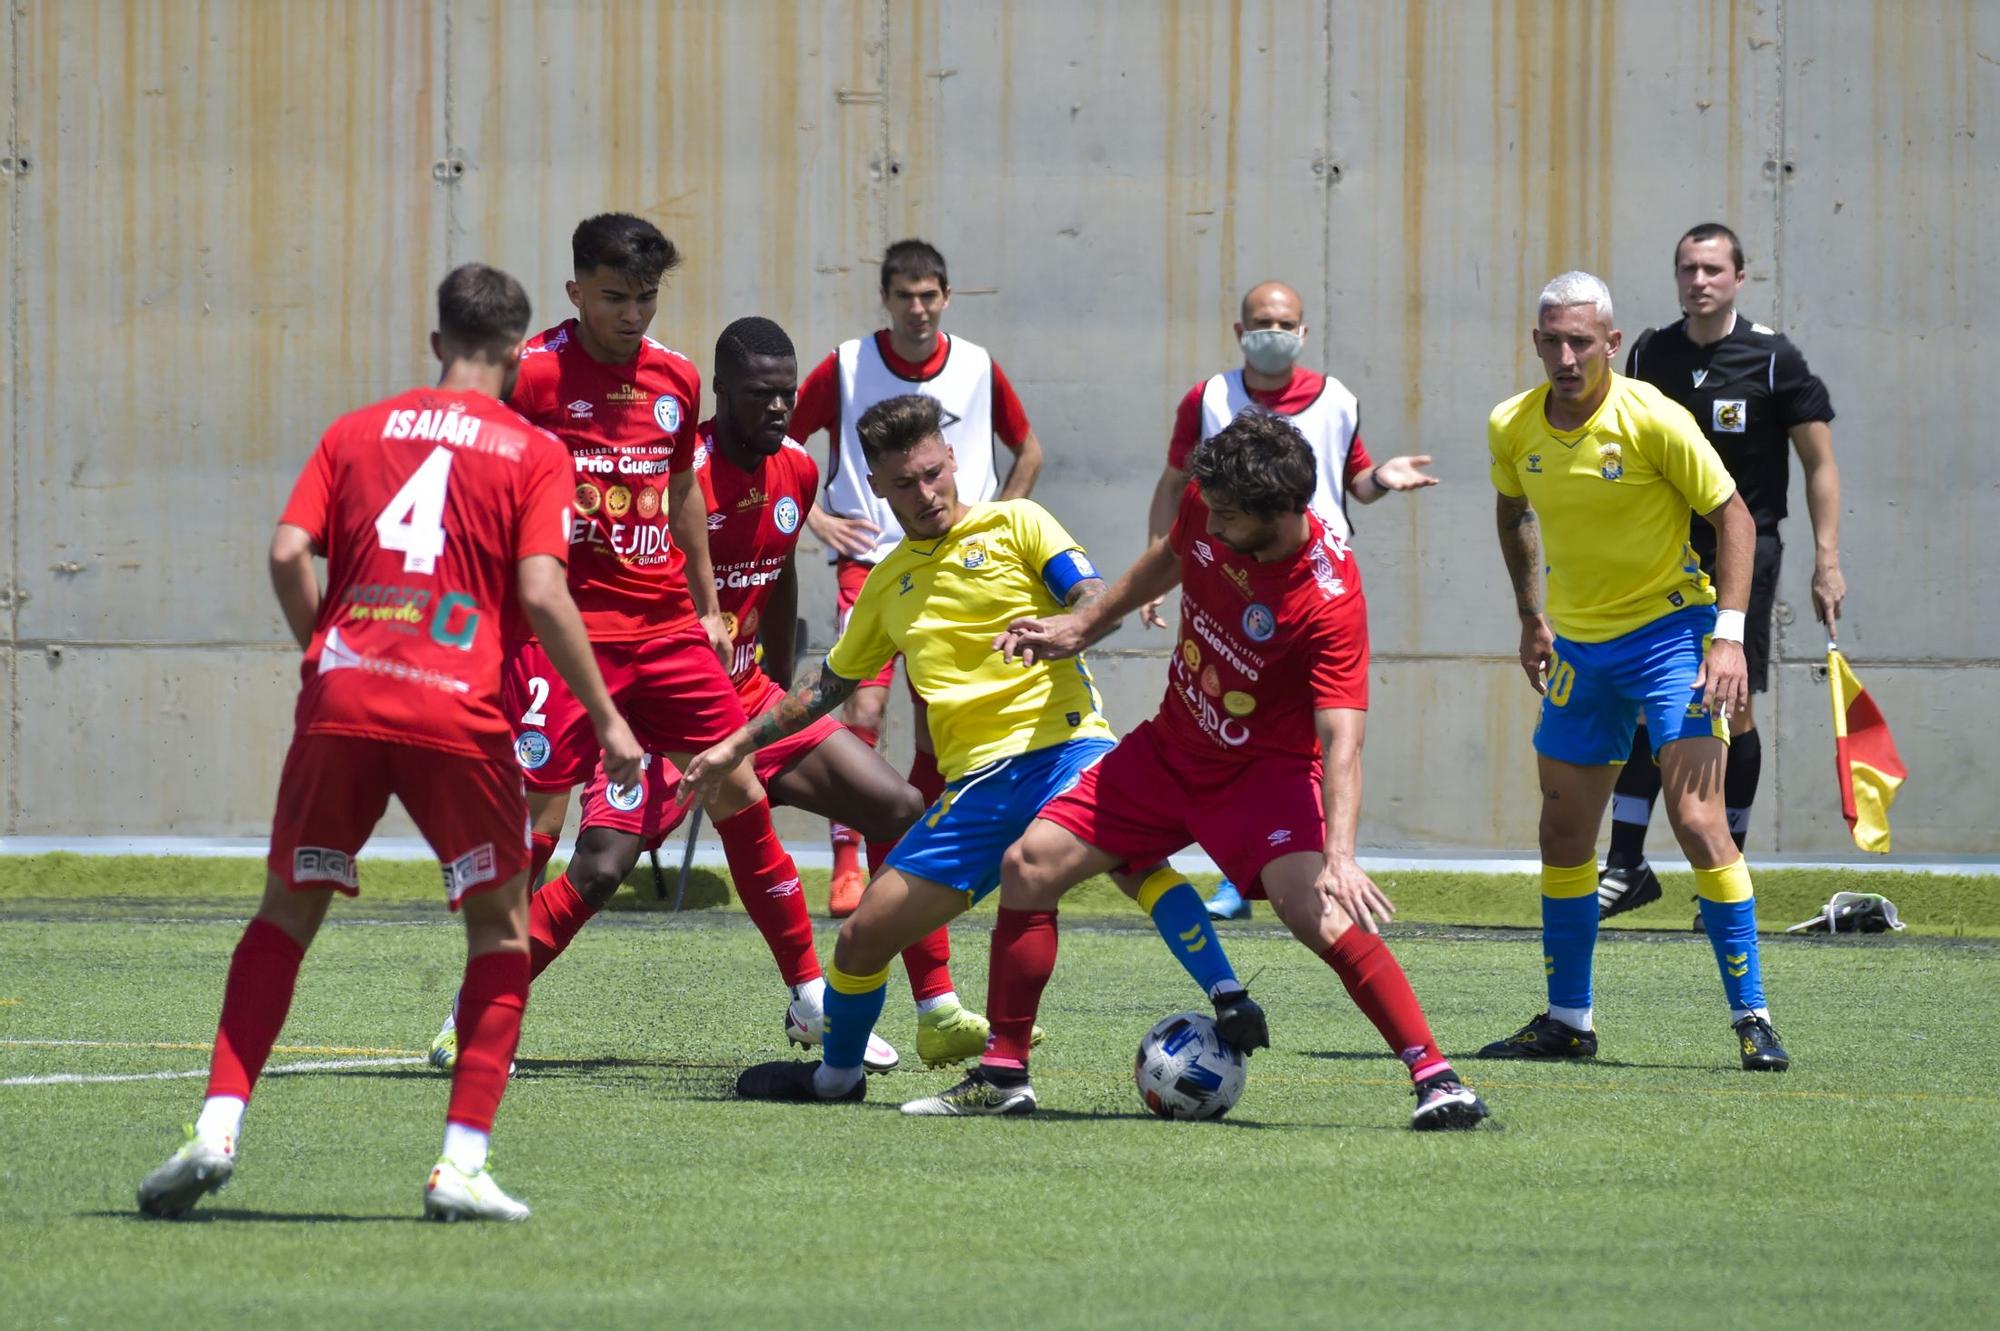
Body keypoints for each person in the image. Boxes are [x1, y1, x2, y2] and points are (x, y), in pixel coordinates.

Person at [136, 264, 644, 1223]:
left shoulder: (354, 430)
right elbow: (541, 593)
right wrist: (609, 718)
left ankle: (215, 1127)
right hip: (458, 708)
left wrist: (322, 652)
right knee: (497, 930)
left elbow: (289, 553)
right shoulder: (534, 452)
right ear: (519, 352)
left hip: (344, 697)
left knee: (285, 915)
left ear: (436, 340)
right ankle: (459, 1163)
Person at [680, 394, 1266, 1106]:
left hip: (1065, 748)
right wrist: (736, 742)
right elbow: (828, 683)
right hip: (975, 791)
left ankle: (1226, 995)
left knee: (1136, 860)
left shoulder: (1018, 522)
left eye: (933, 472)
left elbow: (1088, 598)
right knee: (862, 939)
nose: (925, 493)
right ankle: (836, 1078)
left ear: (952, 458)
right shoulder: (888, 582)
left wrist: (1065, 624)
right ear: (877, 485)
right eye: (904, 483)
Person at [911, 412, 1490, 1127]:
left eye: (1225, 517)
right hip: (1170, 748)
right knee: (1028, 865)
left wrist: (1340, 855)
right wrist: (1079, 626)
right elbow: (1168, 556)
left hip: (1264, 778)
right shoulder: (1210, 502)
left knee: (1320, 915)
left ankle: (1438, 1078)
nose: (1209, 525)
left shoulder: (1328, 599)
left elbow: (1342, 737)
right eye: (1207, 508)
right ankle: (1004, 1072)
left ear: (1279, 514)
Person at [449, 318, 990, 1069]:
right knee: (601, 867)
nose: (777, 409)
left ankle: (932, 1005)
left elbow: (779, 572)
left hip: (748, 703)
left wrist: (773, 689)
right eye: (760, 396)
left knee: (898, 806)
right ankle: (475, 1006)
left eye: (786, 395)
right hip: (663, 708)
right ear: (722, 393)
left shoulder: (798, 471)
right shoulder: (682, 475)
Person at [461, 215, 849, 1066]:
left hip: (667, 627)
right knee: (539, 814)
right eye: (612, 298)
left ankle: (812, 994)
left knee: (738, 785)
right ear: (574, 292)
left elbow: (681, 493)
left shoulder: (674, 378)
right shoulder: (532, 376)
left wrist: (708, 606)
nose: (631, 314)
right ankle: (486, 996)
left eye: (645, 297)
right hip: (565, 635)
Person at [1479, 270, 1789, 1072]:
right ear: (1536, 342)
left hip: (1674, 635)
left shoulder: (1654, 417)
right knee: (1562, 832)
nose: (1566, 354)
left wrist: (1728, 637)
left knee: (1696, 820)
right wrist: (1530, 614)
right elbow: (1513, 511)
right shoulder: (1511, 425)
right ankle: (1568, 1021)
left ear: (1611, 343)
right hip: (1580, 648)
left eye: (1581, 340)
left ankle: (1753, 1015)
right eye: (1551, 339)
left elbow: (1735, 517)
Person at [1143, 281, 1438, 921]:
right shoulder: (1208, 399)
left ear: (1302, 333)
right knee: (1222, 710)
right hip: (1229, 576)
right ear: (1238, 329)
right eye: (1260, 322)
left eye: (1284, 322)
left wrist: (1381, 480)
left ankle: (1304, 856)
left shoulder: (1336, 400)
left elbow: (1353, 482)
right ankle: (1243, 863)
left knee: (1309, 733)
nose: (1271, 332)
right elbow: (1175, 486)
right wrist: (1157, 563)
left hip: (1309, 587)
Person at [789, 239, 1046, 916]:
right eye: (903, 295)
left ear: (947, 297)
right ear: (886, 299)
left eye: (929, 294)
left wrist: (999, 518)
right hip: (870, 562)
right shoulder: (847, 364)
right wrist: (816, 518)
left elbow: (1030, 449)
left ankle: (923, 853)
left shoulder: (977, 366)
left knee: (937, 725)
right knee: (863, 707)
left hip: (960, 569)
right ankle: (847, 861)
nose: (917, 308)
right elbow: (784, 448)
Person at [1598, 223, 1846, 915]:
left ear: (1739, 276)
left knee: (1730, 705)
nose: (1698, 280)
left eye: (1712, 269)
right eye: (1687, 268)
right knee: (1647, 701)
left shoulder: (1773, 359)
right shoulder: (1650, 352)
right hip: (1663, 553)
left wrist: (1827, 560)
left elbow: (1819, 463)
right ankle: (1625, 863)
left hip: (1746, 552)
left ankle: (1724, 867)